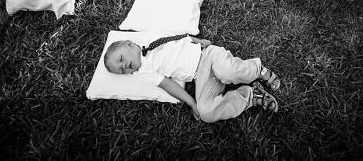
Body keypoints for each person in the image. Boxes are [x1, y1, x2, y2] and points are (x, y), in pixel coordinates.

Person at [104, 33, 281, 123]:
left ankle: (257, 70)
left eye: (121, 59)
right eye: (121, 71)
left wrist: (197, 40)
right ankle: (251, 96)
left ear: (129, 44)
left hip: (208, 56)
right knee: (206, 113)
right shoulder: (143, 72)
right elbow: (168, 85)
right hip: (200, 77)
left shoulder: (151, 38)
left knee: (228, 71)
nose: (125, 67)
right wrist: (191, 102)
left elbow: (175, 37)